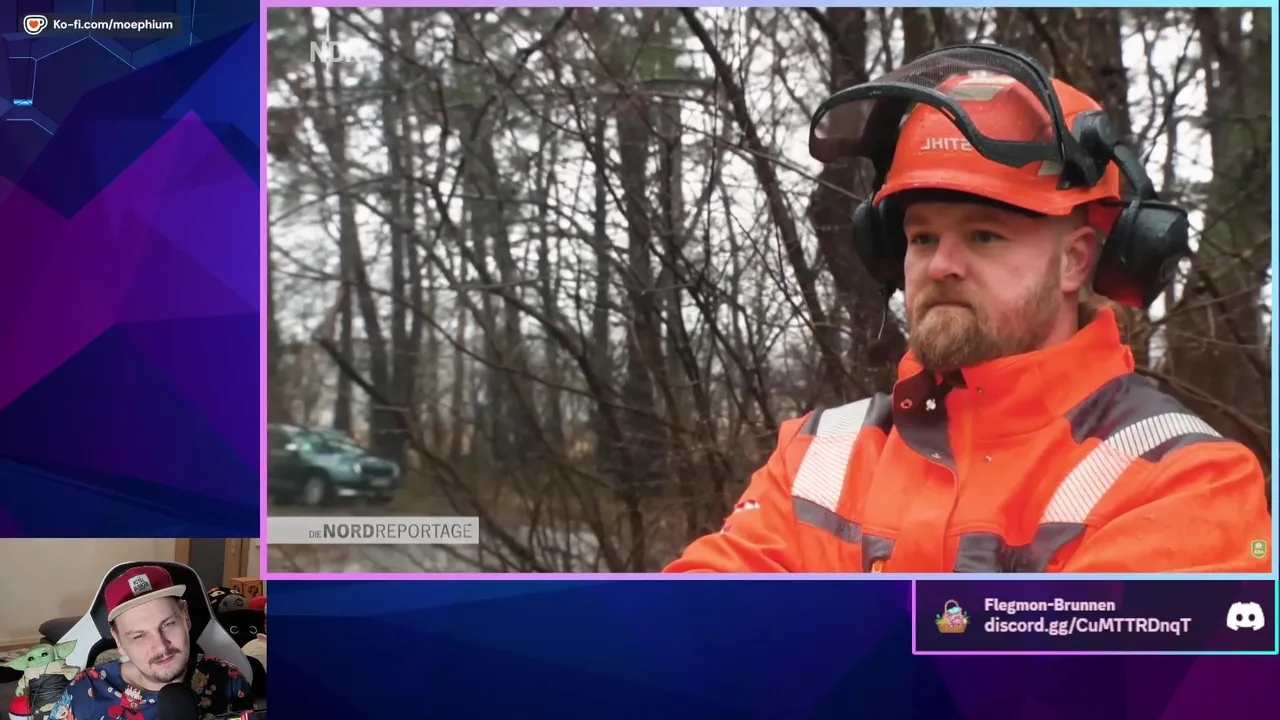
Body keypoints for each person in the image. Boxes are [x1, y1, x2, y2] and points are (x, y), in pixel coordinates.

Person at [665, 46, 1271, 574]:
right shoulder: (818, 456)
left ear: (1075, 261)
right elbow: (687, 635)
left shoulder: (1184, 479)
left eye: (984, 235)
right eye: (922, 237)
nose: (940, 265)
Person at [48, 565, 254, 719]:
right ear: (119, 641)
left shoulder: (229, 680)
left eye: (168, 624)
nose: (161, 647)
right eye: (139, 635)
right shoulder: (85, 692)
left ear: (185, 615)